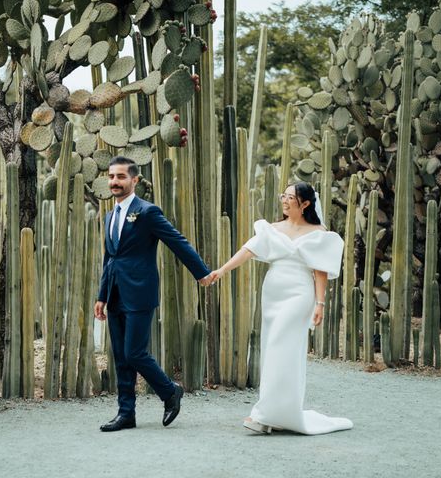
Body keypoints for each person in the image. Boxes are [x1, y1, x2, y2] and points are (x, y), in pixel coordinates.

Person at [209, 182, 353, 435]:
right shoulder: (272, 229)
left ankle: (264, 415)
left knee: (281, 346)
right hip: (274, 291)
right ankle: (277, 412)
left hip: (300, 293)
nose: (284, 201)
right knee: (272, 348)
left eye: (290, 198)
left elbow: (319, 271)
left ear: (305, 204)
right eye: (283, 196)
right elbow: (247, 251)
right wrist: (222, 269)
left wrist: (320, 303)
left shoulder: (318, 232)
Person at [94, 156, 213, 432]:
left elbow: (177, 241)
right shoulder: (110, 216)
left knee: (134, 353)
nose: (115, 181)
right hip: (114, 294)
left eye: (121, 176)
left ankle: (169, 391)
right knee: (121, 357)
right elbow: (108, 258)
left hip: (139, 292)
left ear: (134, 180)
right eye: (112, 176)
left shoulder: (147, 212)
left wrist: (202, 272)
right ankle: (126, 414)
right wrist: (101, 295)